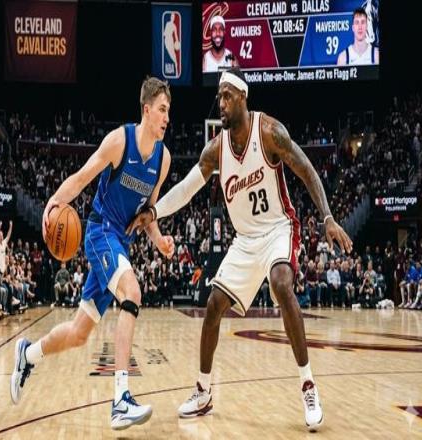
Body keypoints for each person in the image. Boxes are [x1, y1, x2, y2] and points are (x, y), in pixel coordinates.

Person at [128, 68, 353, 431]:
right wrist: (154, 212)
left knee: (281, 283)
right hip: (245, 241)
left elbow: (307, 170)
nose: (221, 102)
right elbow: (186, 189)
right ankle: (203, 391)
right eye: (219, 96)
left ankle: (308, 385)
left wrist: (327, 217)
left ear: (243, 98)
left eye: (227, 96)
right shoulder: (216, 149)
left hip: (278, 228)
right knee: (213, 305)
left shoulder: (270, 132)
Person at [10, 77, 175, 431]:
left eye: (169, 111)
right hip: (100, 233)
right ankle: (120, 400)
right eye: (162, 110)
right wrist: (54, 202)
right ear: (146, 110)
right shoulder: (119, 141)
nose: (166, 118)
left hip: (121, 244)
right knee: (133, 292)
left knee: (78, 333)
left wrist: (159, 239)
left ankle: (28, 354)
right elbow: (82, 177)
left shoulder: (163, 160)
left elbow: (147, 213)